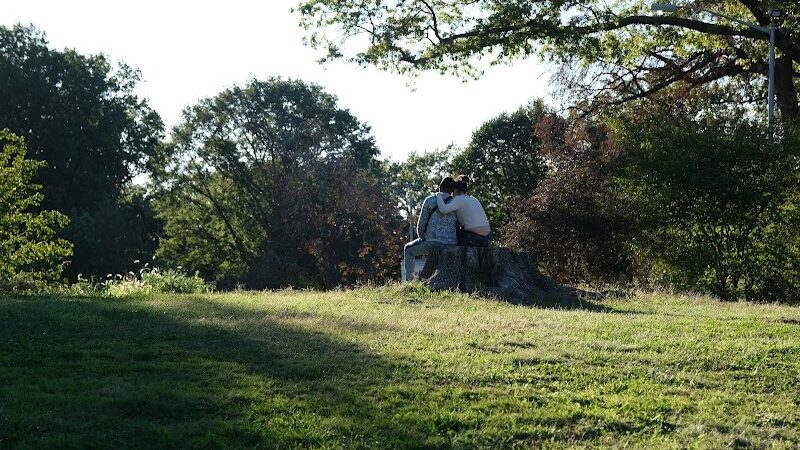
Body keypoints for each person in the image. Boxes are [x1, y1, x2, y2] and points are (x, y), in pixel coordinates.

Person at [403, 177, 458, 281]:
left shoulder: (430, 200)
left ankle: (410, 281)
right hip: (452, 243)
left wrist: (422, 237)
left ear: (440, 187)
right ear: (452, 190)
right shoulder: (457, 203)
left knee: (408, 249)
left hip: (432, 241)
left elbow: (421, 224)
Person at [435, 175, 492, 247]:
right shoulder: (473, 199)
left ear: (455, 190)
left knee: (455, 233)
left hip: (474, 238)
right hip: (488, 238)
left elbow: (443, 209)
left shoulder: (458, 199)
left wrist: (438, 195)